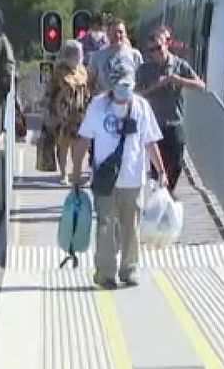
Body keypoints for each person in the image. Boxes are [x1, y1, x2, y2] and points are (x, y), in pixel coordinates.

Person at [78, 62, 167, 289]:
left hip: (133, 178)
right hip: (106, 178)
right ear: (111, 84)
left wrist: (161, 170)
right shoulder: (98, 107)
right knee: (106, 225)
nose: (123, 89)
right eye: (119, 84)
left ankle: (130, 269)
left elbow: (149, 141)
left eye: (127, 84)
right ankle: (106, 273)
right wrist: (76, 171)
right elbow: (84, 140)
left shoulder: (142, 107)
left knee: (131, 226)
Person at [137, 25, 204, 194]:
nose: (157, 52)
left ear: (166, 45)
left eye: (159, 48)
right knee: (156, 167)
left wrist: (179, 80)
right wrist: (156, 86)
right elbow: (137, 95)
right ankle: (160, 197)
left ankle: (168, 192)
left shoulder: (179, 64)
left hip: (175, 121)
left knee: (176, 163)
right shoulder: (145, 69)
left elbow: (201, 85)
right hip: (154, 124)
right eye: (152, 50)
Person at [44, 40, 93, 185]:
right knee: (64, 144)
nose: (80, 56)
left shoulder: (82, 70)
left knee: (79, 144)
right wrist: (54, 113)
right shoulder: (59, 71)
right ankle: (63, 174)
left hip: (80, 112)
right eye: (78, 53)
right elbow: (51, 92)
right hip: (63, 112)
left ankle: (75, 172)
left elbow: (86, 90)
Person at [86, 17, 143, 92]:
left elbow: (141, 81)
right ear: (108, 34)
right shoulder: (96, 57)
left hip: (129, 101)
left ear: (125, 34)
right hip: (106, 101)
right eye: (114, 32)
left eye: (120, 32)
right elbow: (90, 83)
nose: (117, 35)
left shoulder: (135, 55)